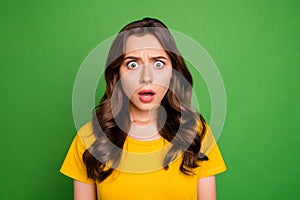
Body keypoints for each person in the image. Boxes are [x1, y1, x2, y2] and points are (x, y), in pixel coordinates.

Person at [60, 17, 227, 200]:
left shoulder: (197, 134)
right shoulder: (90, 137)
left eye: (158, 63)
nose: (146, 77)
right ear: (117, 73)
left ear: (173, 72)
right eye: (133, 64)